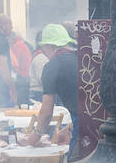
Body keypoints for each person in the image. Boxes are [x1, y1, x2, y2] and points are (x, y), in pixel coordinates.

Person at [27, 23, 79, 151]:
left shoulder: (52, 66)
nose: (44, 54)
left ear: (52, 46)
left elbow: (46, 113)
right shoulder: (82, 57)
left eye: (44, 49)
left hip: (81, 126)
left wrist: (35, 136)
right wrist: (69, 127)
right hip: (100, 123)